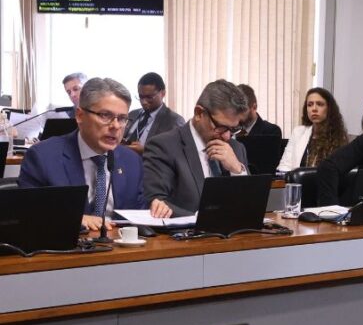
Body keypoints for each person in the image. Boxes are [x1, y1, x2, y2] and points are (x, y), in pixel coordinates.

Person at [18, 77, 145, 231]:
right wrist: (75, 218)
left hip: (120, 244)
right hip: (67, 243)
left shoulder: (131, 161)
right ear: (80, 115)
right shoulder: (43, 157)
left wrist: (157, 208)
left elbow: (140, 213)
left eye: (122, 118)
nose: (116, 126)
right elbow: (28, 215)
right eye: (105, 115)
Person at [142, 79, 250, 217]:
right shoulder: (163, 146)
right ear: (199, 113)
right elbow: (158, 203)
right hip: (187, 229)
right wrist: (203, 218)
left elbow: (250, 207)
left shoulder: (236, 148)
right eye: (221, 127)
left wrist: (237, 171)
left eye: (233, 129)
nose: (227, 136)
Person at [276, 87, 349, 173]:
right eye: (310, 105)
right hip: (296, 180)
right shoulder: (298, 132)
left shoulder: (339, 137)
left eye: (320, 104)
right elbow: (284, 165)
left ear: (329, 109)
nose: (314, 109)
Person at [123, 72, 186, 155]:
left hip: (148, 163)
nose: (144, 102)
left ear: (163, 93)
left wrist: (145, 151)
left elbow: (178, 154)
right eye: (141, 97)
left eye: (149, 97)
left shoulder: (174, 121)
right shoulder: (132, 114)